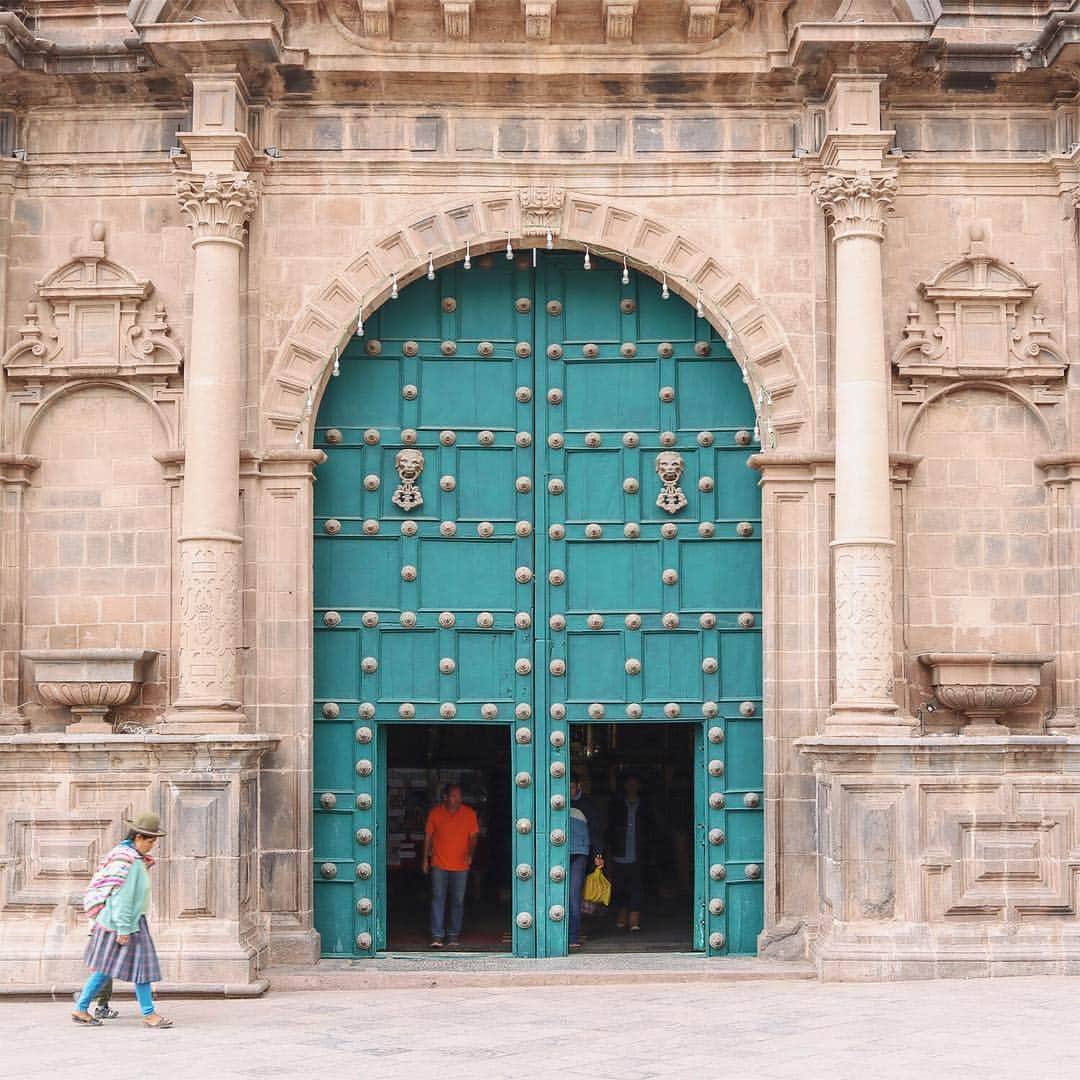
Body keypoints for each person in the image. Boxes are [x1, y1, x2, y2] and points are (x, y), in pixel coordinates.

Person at [72, 811, 172, 1029]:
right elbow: (122, 899)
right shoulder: (130, 862)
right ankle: (149, 1015)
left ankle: (81, 1008)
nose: (152, 845)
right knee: (141, 968)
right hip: (123, 923)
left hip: (123, 922)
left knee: (106, 968)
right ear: (138, 837)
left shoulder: (128, 857)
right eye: (150, 840)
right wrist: (124, 929)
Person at [422, 783, 480, 949]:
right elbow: (428, 837)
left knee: (458, 901)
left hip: (461, 866)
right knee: (438, 899)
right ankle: (437, 936)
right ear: (445, 797)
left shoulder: (469, 814)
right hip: (439, 864)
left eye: (459, 796)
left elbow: (474, 837)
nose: (458, 799)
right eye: (454, 796)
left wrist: (470, 854)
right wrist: (424, 860)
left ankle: (453, 935)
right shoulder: (435, 813)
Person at [605, 773, 654, 933]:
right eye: (629, 783)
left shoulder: (646, 805)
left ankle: (634, 920)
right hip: (619, 852)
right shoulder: (617, 805)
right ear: (625, 786)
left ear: (639, 786)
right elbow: (610, 827)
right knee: (619, 888)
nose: (632, 787)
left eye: (635, 783)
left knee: (636, 887)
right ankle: (621, 915)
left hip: (639, 853)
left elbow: (651, 828)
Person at [568, 772, 599, 950]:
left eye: (571, 786)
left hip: (579, 853)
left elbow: (596, 830)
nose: (568, 790)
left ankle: (573, 935)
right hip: (556, 852)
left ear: (578, 786)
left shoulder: (587, 804)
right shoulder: (554, 801)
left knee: (573, 896)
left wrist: (598, 854)